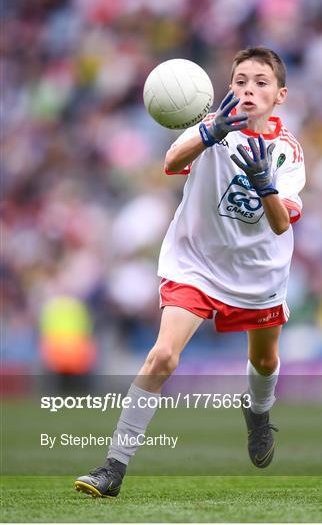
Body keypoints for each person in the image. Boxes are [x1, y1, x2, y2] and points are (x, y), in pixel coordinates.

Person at [75, 46, 305, 498]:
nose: (248, 89)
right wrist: (209, 132)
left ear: (280, 94)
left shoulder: (288, 151)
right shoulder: (213, 125)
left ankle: (258, 413)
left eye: (260, 82)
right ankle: (113, 467)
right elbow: (171, 162)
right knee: (162, 357)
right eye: (240, 80)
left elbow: (281, 223)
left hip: (259, 273)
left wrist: (266, 184)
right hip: (195, 264)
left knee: (264, 361)